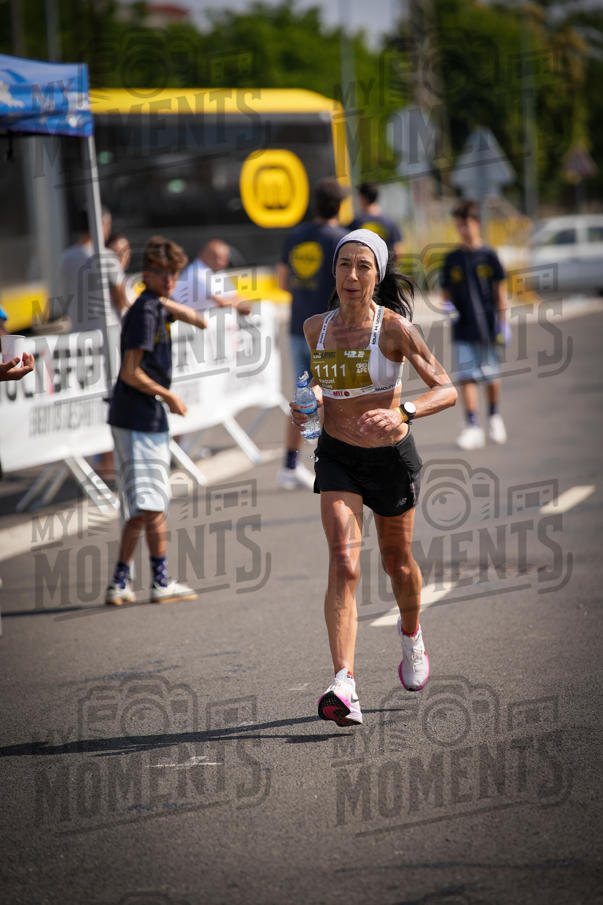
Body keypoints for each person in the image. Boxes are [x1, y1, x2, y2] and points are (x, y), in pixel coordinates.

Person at [290, 229, 457, 727]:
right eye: (344, 265)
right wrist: (311, 402)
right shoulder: (314, 327)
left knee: (396, 562)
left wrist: (403, 411)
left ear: (377, 275)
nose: (352, 276)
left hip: (390, 461)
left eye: (364, 266)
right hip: (338, 457)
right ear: (334, 272)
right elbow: (320, 382)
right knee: (343, 561)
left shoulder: (395, 329)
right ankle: (344, 683)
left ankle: (411, 635)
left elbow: (445, 388)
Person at [104, 236, 209, 606]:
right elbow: (130, 372)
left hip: (140, 416)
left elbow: (202, 322)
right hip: (138, 415)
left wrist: (165, 300)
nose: (169, 280)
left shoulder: (155, 305)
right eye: (162, 274)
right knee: (149, 504)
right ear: (145, 273)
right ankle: (138, 580)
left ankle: (135, 580)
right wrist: (170, 396)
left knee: (147, 502)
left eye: (174, 274)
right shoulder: (147, 312)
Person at [277, 177, 349, 490]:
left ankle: (290, 466)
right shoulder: (342, 240)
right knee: (338, 396)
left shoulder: (295, 237)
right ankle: (335, 462)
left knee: (303, 399)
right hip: (330, 332)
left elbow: (282, 282)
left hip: (297, 328)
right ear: (340, 206)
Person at [441, 199, 508, 449]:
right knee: (466, 376)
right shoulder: (452, 258)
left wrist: (504, 325)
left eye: (466, 225)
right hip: (462, 328)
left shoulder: (489, 255)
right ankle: (473, 425)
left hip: (488, 327)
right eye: (459, 225)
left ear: (477, 223)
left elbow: (499, 293)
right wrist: (448, 310)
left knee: (491, 374)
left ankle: (494, 417)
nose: (463, 230)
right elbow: (445, 292)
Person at [58, 205, 129, 331]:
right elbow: (121, 300)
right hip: (107, 333)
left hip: (78, 331)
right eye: (108, 225)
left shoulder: (65, 257)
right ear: (101, 224)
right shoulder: (106, 256)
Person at [171, 239, 251, 315]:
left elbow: (233, 296)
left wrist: (244, 306)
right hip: (183, 324)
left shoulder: (216, 270)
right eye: (215, 257)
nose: (220, 262)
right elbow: (222, 302)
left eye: (224, 257)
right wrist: (244, 307)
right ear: (202, 255)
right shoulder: (197, 273)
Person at [349, 182, 403, 257]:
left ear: (363, 198)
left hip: (363, 266)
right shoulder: (389, 221)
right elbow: (397, 251)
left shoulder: (356, 223)